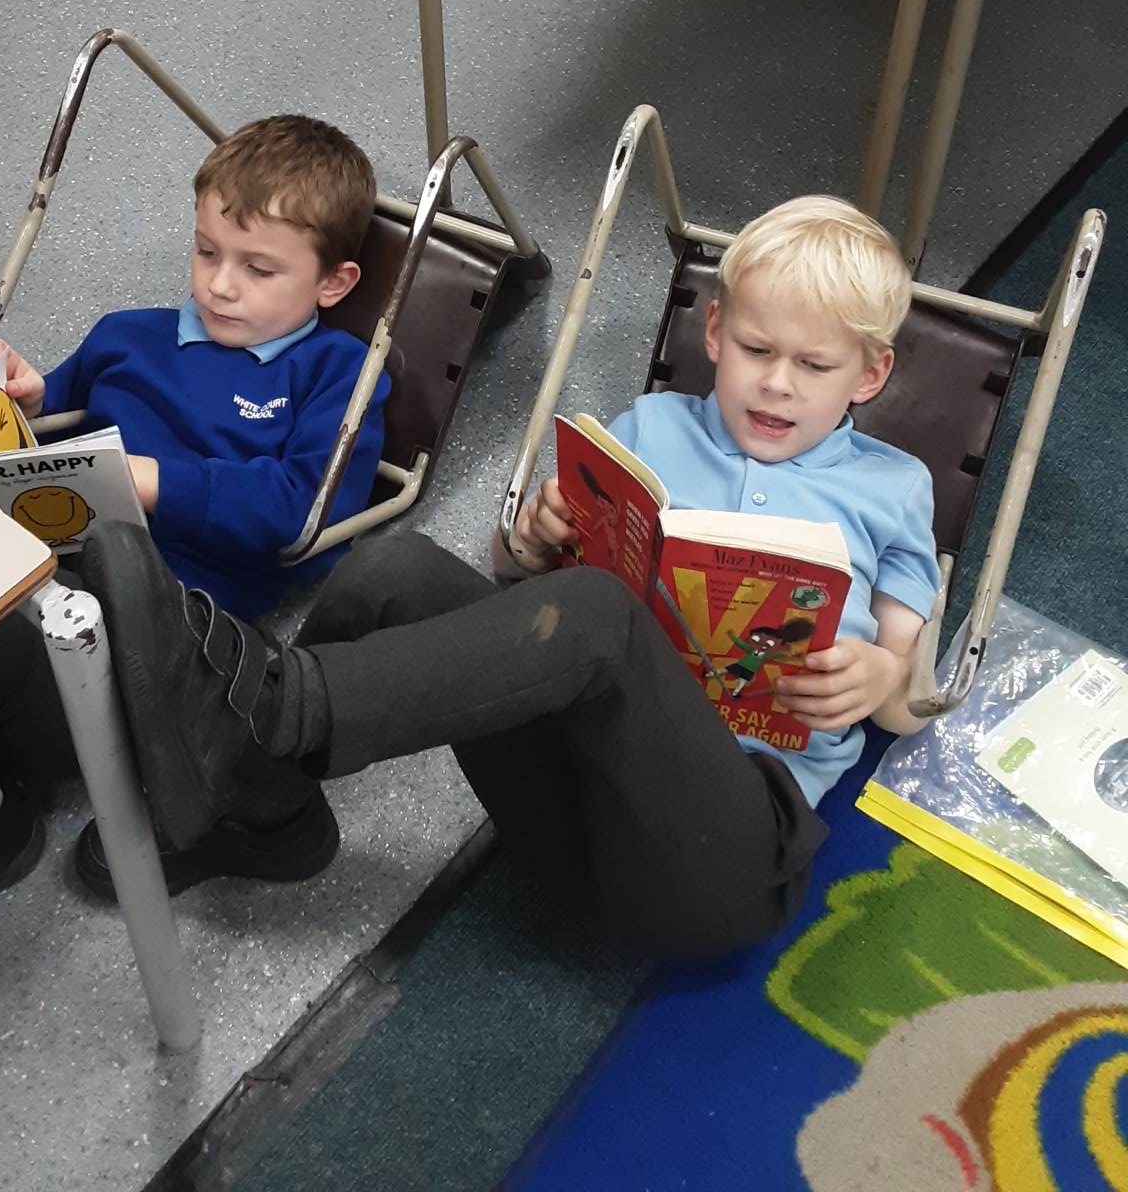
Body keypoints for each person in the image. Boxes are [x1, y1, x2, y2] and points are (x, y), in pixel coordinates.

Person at [80, 195, 940, 963]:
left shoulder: (892, 488)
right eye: (755, 349)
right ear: (713, 332)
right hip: (568, 798)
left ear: (869, 375)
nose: (777, 384)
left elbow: (910, 698)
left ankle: (263, 710)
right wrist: (531, 539)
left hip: (719, 859)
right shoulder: (648, 430)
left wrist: (881, 679)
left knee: (601, 617)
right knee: (395, 568)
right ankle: (262, 808)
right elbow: (513, 584)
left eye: (815, 367)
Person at [0, 115, 389, 954]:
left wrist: (147, 479)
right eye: (206, 251)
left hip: (125, 647)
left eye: (258, 269)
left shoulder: (338, 374)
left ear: (333, 283)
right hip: (30, 553)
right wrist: (26, 401)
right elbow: (52, 427)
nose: (219, 286)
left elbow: (299, 513)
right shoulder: (127, 334)